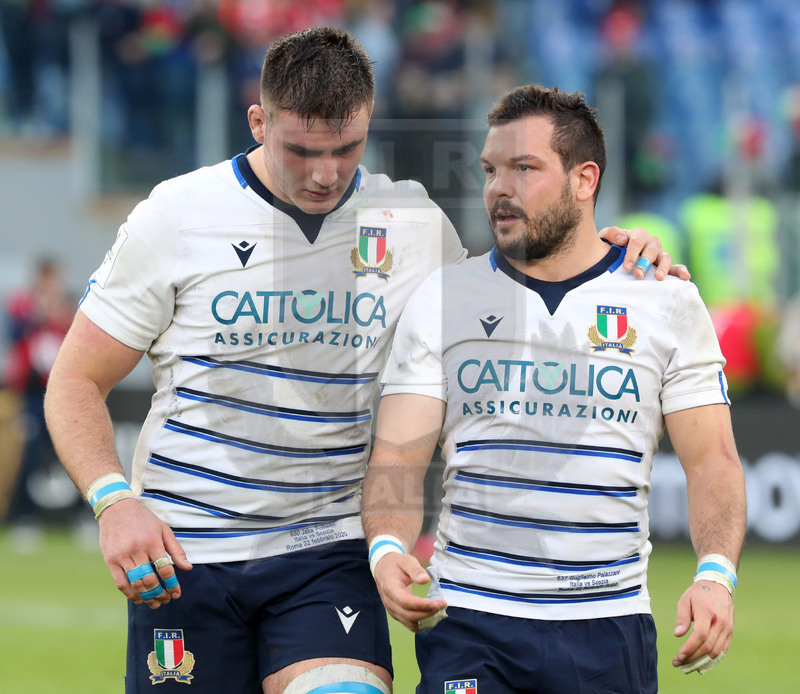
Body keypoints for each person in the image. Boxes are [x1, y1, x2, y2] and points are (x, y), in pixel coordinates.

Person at [44, 27, 684, 694]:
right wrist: (114, 503)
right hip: (186, 551)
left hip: (325, 551)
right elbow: (74, 382)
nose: (325, 173)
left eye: (345, 149)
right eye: (300, 151)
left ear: (369, 122)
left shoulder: (410, 225)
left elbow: (509, 307)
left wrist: (615, 257)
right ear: (257, 121)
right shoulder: (177, 217)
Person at [362, 84, 746, 693]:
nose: (498, 188)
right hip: (469, 620)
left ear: (584, 179)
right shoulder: (442, 297)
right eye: (490, 170)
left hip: (606, 627)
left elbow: (712, 463)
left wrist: (715, 575)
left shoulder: (665, 299)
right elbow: (399, 456)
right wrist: (386, 548)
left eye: (524, 168)